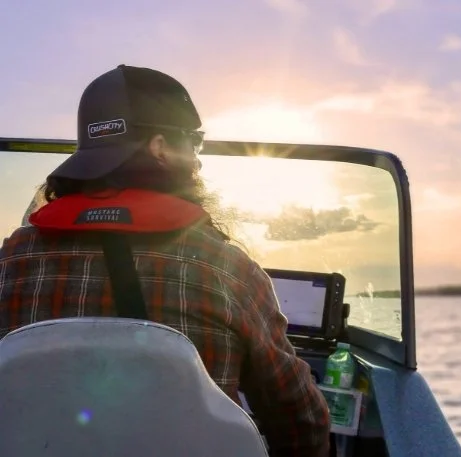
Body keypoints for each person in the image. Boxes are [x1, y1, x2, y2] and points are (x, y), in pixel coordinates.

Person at [0, 65, 330, 456]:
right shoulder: (227, 271)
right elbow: (299, 420)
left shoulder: (9, 261)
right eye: (194, 142)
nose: (198, 160)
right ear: (159, 147)